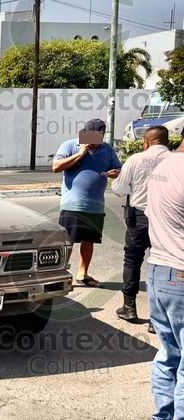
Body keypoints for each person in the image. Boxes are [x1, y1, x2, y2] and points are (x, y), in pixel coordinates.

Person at [111, 126, 171, 330]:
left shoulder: (135, 159)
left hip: (139, 218)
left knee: (132, 261)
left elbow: (118, 189)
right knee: (162, 265)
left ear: (146, 142)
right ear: (167, 141)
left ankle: (129, 307)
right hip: (166, 219)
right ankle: (157, 318)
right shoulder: (175, 161)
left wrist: (132, 184)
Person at [52, 119, 121, 287]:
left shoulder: (107, 149)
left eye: (98, 137)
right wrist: (80, 154)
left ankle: (82, 274)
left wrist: (115, 173)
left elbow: (117, 169)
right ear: (84, 133)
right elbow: (56, 167)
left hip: (96, 205)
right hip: (72, 204)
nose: (93, 141)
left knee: (89, 241)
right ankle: (59, 275)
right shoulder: (70, 145)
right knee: (68, 242)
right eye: (90, 136)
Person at [145, 143, 184, 420]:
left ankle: (163, 416)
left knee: (169, 354)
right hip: (180, 272)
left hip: (158, 269)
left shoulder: (162, 165)